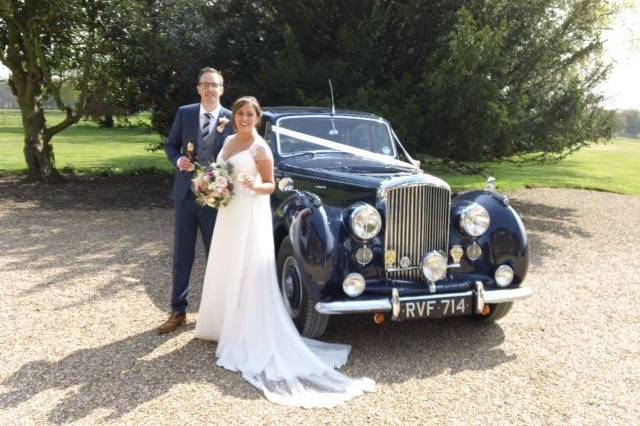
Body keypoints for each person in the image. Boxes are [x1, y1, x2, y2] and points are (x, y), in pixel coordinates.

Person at [195, 96, 375, 408]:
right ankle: (221, 324)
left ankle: (247, 329)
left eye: (250, 114)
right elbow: (218, 171)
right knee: (225, 263)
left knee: (248, 266)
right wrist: (211, 187)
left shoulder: (261, 148)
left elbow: (270, 186)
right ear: (235, 116)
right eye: (240, 114)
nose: (244, 118)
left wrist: (253, 185)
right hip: (229, 213)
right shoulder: (228, 143)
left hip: (250, 211)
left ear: (257, 118)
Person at [158, 67, 234, 334]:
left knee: (217, 255)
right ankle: (178, 311)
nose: (210, 89)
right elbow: (170, 145)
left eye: (215, 84)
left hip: (215, 199)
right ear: (198, 88)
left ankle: (217, 314)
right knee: (183, 254)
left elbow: (238, 157)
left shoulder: (232, 118)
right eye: (205, 84)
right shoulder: (185, 113)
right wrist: (177, 159)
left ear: (222, 89)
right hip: (185, 196)